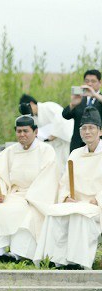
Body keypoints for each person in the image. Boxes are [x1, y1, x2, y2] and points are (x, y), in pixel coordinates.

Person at [0, 115, 57, 263]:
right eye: (19, 131)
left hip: (35, 197)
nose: (22, 135)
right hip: (14, 194)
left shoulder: (46, 151)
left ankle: (18, 253)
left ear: (35, 132)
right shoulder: (10, 151)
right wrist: (0, 192)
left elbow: (48, 179)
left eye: (25, 131)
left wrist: (32, 198)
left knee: (28, 215)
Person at [34, 107, 102, 270]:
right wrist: (66, 197)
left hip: (96, 206)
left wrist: (97, 199)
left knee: (79, 216)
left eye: (91, 128)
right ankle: (53, 259)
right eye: (83, 128)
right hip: (76, 202)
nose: (87, 132)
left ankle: (77, 261)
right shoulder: (75, 154)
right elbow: (64, 182)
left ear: (100, 131)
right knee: (54, 212)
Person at [18, 94, 72, 171]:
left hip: (65, 141)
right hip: (53, 145)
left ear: (32, 104)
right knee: (57, 167)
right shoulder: (33, 118)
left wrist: (54, 134)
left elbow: (61, 119)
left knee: (68, 165)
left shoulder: (49, 107)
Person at [62, 69, 102, 151]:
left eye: (93, 81)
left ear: (100, 82)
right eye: (87, 81)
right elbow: (65, 115)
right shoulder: (79, 99)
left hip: (98, 145)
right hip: (78, 145)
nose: (89, 84)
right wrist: (72, 104)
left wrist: (95, 95)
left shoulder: (100, 99)